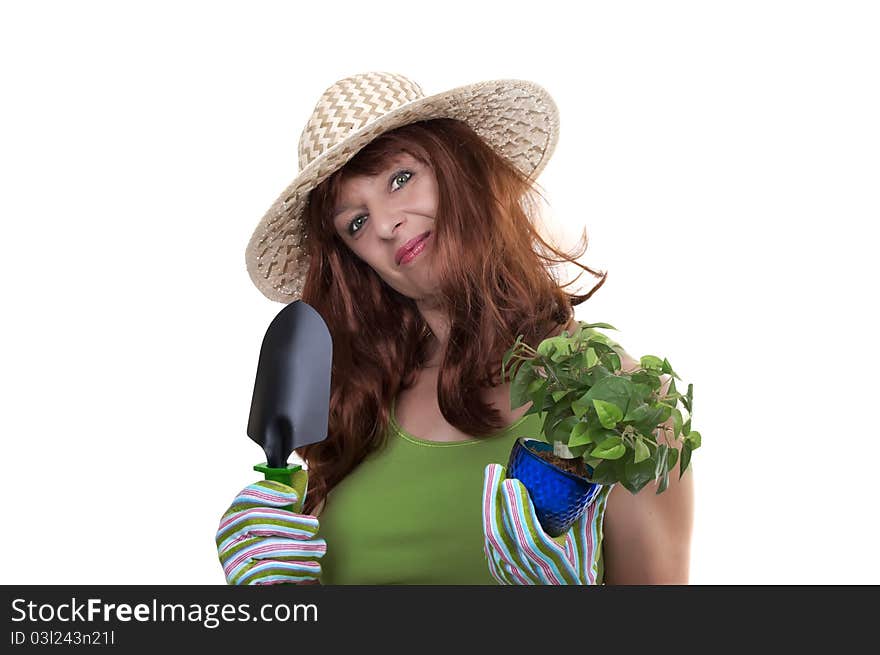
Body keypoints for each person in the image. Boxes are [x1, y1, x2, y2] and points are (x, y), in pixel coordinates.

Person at [216, 72, 694, 585]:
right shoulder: (356, 409)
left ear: (459, 169)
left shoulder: (627, 411)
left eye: (400, 179)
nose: (383, 225)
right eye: (355, 222)